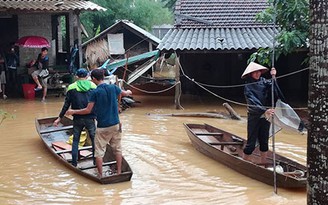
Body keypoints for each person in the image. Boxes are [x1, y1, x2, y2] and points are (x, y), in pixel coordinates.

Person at [66, 69, 132, 177]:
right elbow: (125, 93)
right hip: (116, 124)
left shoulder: (95, 92)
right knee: (118, 149)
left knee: (99, 152)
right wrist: (129, 92)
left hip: (103, 127)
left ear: (93, 79)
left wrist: (73, 111)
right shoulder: (113, 87)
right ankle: (119, 172)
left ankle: (101, 175)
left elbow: (88, 110)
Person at [53, 68, 97, 167]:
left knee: (76, 140)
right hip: (90, 118)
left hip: (77, 118)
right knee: (94, 141)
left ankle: (74, 163)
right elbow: (96, 103)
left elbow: (66, 104)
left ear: (77, 76)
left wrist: (59, 118)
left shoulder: (71, 87)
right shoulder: (93, 86)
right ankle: (95, 162)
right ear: (87, 76)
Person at [241, 62, 282, 165]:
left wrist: (273, 76)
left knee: (264, 140)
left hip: (266, 115)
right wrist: (264, 110)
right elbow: (252, 101)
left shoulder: (264, 81)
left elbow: (273, 89)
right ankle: (243, 163)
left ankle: (263, 164)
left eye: (258, 72)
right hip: (254, 115)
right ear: (250, 74)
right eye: (254, 72)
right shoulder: (248, 86)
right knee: (251, 143)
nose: (257, 74)